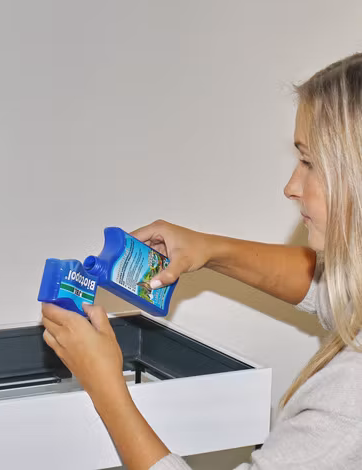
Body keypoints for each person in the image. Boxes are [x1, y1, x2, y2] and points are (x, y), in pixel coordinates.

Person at [41, 53, 362, 469]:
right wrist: (211, 250)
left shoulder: (348, 404)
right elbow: (336, 293)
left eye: (309, 162)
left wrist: (105, 386)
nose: (290, 186)